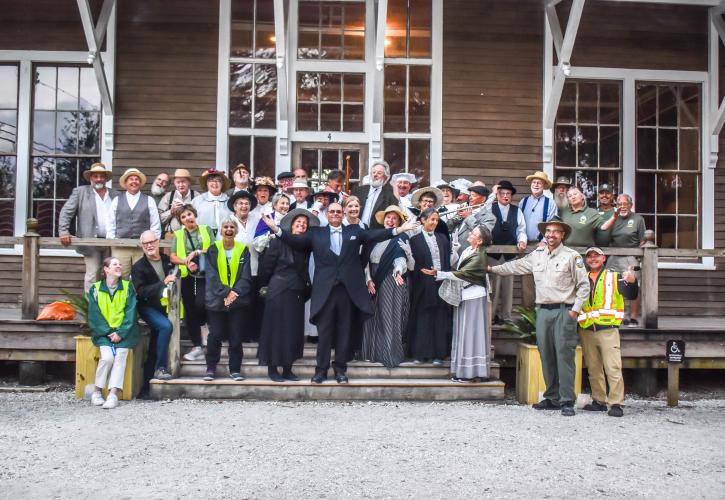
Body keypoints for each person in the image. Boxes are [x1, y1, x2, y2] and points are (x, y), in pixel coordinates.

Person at [263, 202, 417, 383]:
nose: (335, 214)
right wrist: (276, 229)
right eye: (332, 212)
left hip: (348, 291)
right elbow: (295, 241)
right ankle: (320, 371)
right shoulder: (316, 233)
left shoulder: (354, 231)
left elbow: (375, 234)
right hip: (324, 292)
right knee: (325, 333)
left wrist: (399, 230)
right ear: (327, 214)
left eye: (338, 211)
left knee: (344, 332)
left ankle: (340, 370)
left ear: (343, 214)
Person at [488, 217, 589, 416]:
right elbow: (515, 267)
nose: (551, 235)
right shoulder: (538, 254)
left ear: (563, 235)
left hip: (564, 310)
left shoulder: (572, 256)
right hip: (542, 311)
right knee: (546, 355)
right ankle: (551, 397)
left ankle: (567, 400)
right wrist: (491, 269)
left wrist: (575, 310)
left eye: (556, 232)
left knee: (564, 356)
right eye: (548, 231)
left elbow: (584, 286)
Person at [257, 208, 318, 382]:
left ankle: (288, 369)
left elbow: (297, 245)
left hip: (297, 291)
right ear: (291, 225)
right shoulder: (277, 242)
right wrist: (265, 287)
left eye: (304, 224)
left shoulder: (306, 244)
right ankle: (272, 368)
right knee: (275, 330)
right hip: (278, 290)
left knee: (293, 331)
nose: (301, 225)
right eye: (298, 222)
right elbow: (266, 267)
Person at [577, 247, 639, 417]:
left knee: (613, 367)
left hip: (608, 330)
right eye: (589, 256)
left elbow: (632, 294)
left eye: (596, 256)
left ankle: (616, 403)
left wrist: (633, 281)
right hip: (586, 329)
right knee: (593, 368)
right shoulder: (581, 278)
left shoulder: (615, 276)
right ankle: (599, 401)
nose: (593, 259)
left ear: (604, 258)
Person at [426, 225, 491, 381]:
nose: (470, 234)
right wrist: (454, 251)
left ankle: (472, 373)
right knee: (463, 332)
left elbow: (462, 274)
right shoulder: (468, 251)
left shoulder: (479, 256)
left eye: (473, 233)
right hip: (465, 295)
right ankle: (463, 371)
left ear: (480, 241)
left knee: (471, 333)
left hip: (474, 297)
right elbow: (458, 267)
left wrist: (439, 273)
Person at [361, 205, 414, 368]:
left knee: (388, 315)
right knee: (372, 315)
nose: (390, 221)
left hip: (390, 278)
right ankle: (371, 352)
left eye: (394, 218)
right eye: (388, 217)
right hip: (373, 279)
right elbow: (366, 261)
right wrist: (368, 279)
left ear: (399, 222)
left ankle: (388, 353)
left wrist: (399, 271)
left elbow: (401, 258)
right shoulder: (375, 236)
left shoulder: (401, 236)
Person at [203, 217, 253, 381]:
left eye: (232, 227)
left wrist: (234, 294)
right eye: (226, 227)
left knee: (236, 336)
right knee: (215, 335)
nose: (229, 229)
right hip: (216, 301)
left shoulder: (243, 249)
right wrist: (225, 293)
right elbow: (211, 276)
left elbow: (246, 277)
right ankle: (210, 368)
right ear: (221, 230)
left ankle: (235, 369)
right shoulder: (213, 249)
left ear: (236, 231)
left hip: (237, 301)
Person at [87, 256, 141, 409]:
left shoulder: (128, 287)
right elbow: (94, 314)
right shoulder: (95, 289)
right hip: (104, 333)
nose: (119, 266)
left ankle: (113, 394)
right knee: (108, 358)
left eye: (119, 264)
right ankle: (97, 392)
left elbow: (131, 312)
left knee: (120, 357)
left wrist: (120, 333)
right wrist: (109, 332)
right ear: (106, 269)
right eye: (114, 264)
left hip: (124, 333)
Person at [58, 162, 117, 292]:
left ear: (106, 178)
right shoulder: (81, 192)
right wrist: (63, 231)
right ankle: (91, 309)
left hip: (111, 242)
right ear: (90, 178)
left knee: (111, 274)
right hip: (90, 241)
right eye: (95, 176)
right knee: (93, 275)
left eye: (101, 176)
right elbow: (66, 212)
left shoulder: (115, 194)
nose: (98, 179)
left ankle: (108, 307)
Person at [131, 230, 175, 397]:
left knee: (155, 342)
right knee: (165, 327)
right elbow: (141, 292)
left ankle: (146, 390)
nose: (149, 245)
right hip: (147, 308)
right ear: (142, 246)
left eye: (151, 242)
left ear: (158, 242)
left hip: (165, 307)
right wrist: (162, 283)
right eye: (145, 243)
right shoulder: (138, 267)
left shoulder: (166, 260)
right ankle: (160, 368)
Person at [408, 208, 452, 365]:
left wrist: (442, 274)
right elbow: (413, 265)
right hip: (423, 282)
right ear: (423, 220)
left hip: (440, 281)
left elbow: (447, 260)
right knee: (423, 318)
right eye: (431, 219)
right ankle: (420, 354)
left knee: (440, 318)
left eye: (436, 220)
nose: (434, 222)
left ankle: (439, 354)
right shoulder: (414, 240)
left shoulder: (443, 239)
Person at [170, 204, 213, 362]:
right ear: (181, 221)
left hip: (206, 273)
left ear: (194, 214)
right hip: (187, 275)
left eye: (189, 214)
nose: (188, 218)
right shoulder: (178, 234)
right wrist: (186, 262)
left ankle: (206, 329)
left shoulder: (206, 229)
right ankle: (197, 345)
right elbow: (172, 257)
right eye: (183, 217)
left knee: (201, 304)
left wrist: (197, 252)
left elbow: (214, 249)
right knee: (189, 309)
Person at [106, 168, 162, 279]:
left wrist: (152, 244)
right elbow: (110, 223)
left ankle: (138, 297)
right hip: (120, 246)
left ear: (140, 183)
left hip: (142, 247)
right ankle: (121, 297)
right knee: (119, 276)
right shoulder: (117, 200)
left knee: (142, 276)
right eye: (131, 179)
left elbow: (155, 224)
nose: (134, 181)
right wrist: (113, 241)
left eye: (136, 179)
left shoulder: (149, 200)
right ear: (126, 183)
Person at [488, 179, 527, 324]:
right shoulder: (489, 209)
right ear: (497, 195)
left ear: (511, 196)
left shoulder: (517, 211)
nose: (505, 196)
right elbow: (484, 227)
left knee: (508, 287)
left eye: (508, 194)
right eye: (502, 193)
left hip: (510, 254)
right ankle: (490, 316)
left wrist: (522, 241)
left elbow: (521, 230)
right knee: (494, 287)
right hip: (493, 254)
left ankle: (506, 316)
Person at [519, 171, 558, 308]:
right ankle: (528, 313)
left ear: (544, 186)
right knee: (527, 280)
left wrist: (544, 241)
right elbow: (519, 223)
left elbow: (551, 224)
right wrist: (521, 239)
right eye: (534, 182)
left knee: (543, 278)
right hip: (526, 245)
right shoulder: (523, 202)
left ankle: (542, 310)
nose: (536, 184)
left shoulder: (550, 203)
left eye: (539, 182)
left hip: (542, 245)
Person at [607, 193, 646, 327]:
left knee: (632, 286)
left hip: (631, 256)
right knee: (612, 286)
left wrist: (637, 256)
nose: (623, 206)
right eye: (620, 204)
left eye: (625, 204)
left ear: (630, 205)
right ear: (616, 206)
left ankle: (633, 317)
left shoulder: (638, 219)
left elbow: (643, 240)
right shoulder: (613, 218)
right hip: (614, 255)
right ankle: (619, 316)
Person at [448, 185, 496, 262]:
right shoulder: (464, 209)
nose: (470, 197)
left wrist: (468, 217)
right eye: (470, 195)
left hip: (470, 256)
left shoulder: (489, 217)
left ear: (483, 199)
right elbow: (448, 228)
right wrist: (455, 218)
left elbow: (483, 234)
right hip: (452, 254)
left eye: (473, 195)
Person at [352, 160, 399, 229]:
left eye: (379, 173)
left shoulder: (389, 196)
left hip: (376, 233)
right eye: (373, 172)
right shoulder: (358, 190)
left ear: (386, 177)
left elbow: (397, 213)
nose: (375, 175)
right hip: (356, 230)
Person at [158, 168, 200, 235]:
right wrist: (171, 211)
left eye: (183, 182)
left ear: (188, 182)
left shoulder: (196, 196)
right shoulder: (168, 196)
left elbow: (201, 216)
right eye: (178, 182)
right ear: (174, 183)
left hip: (193, 234)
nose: (181, 185)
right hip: (171, 235)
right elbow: (159, 219)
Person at [192, 169, 231, 236]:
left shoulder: (229, 201)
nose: (215, 183)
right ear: (207, 183)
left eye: (218, 181)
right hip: (203, 237)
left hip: (225, 238)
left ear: (222, 184)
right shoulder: (197, 200)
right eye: (211, 180)